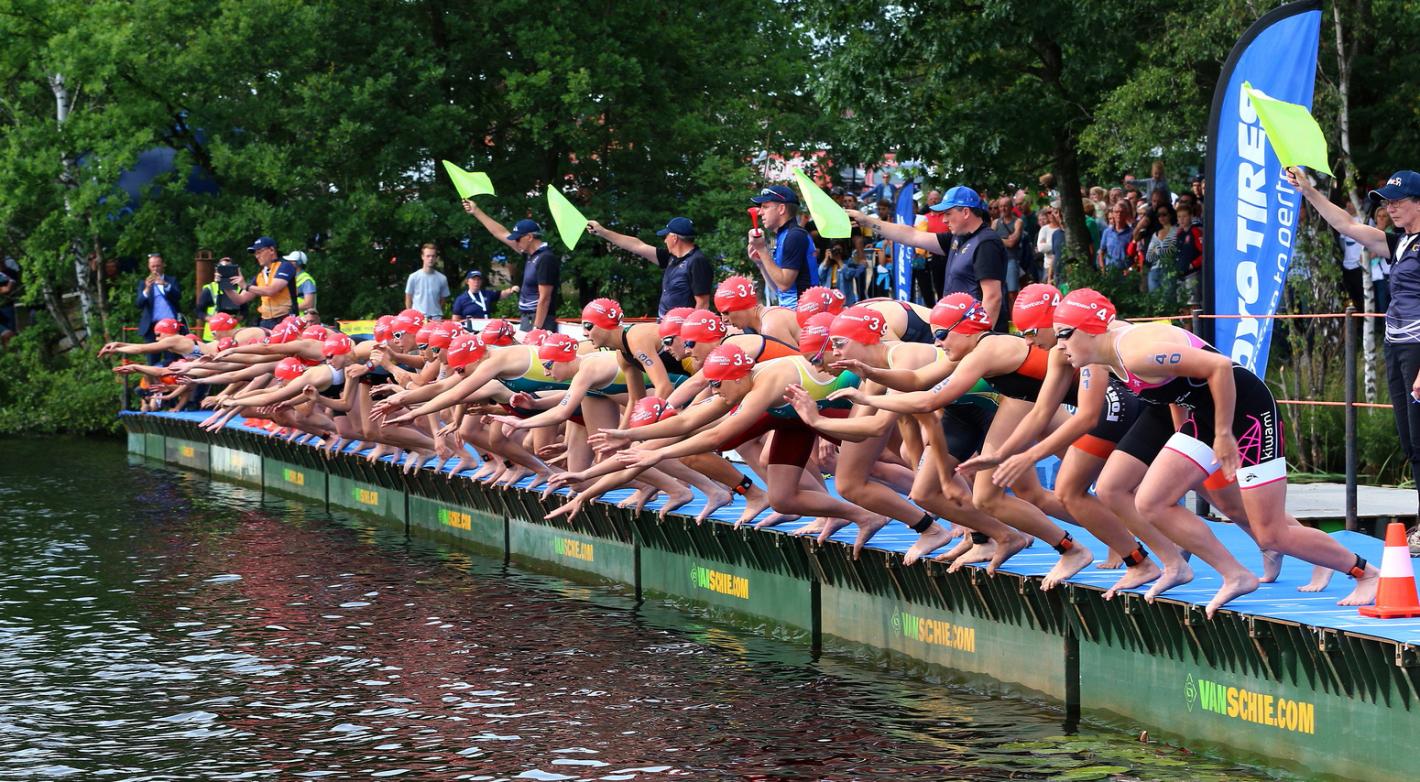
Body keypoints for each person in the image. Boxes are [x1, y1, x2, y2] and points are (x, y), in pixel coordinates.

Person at [1289, 167, 1420, 541]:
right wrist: (1309, 191)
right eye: (1386, 202)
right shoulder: (1401, 243)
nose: (1390, 208)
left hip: (1417, 348)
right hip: (1396, 345)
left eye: (1398, 202)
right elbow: (1346, 225)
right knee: (1411, 441)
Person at [847, 185, 1008, 331]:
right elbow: (911, 235)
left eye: (948, 213)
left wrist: (980, 341)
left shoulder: (986, 243)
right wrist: (867, 221)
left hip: (974, 337)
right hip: (959, 334)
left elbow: (992, 297)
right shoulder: (958, 238)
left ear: (966, 212)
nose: (944, 220)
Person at [464, 201, 561, 331]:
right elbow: (500, 233)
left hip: (539, 321)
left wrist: (536, 329)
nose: (515, 242)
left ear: (529, 237)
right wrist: (476, 212)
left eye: (518, 239)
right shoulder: (530, 254)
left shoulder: (545, 258)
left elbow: (545, 298)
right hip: (528, 318)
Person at [586, 216, 713, 315]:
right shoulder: (671, 257)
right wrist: (602, 231)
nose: (664, 240)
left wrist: (691, 336)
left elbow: (702, 304)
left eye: (666, 236)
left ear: (674, 238)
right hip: (666, 327)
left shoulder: (697, 261)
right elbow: (637, 246)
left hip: (682, 332)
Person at [747, 185, 818, 307]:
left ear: (781, 209)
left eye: (765, 207)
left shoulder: (795, 235)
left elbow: (784, 284)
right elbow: (777, 288)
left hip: (804, 312)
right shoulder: (783, 235)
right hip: (792, 311)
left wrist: (762, 250)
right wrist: (760, 263)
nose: (760, 212)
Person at [228, 236, 297, 328]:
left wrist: (246, 286)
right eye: (255, 253)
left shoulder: (285, 266)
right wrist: (225, 285)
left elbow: (271, 291)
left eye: (259, 252)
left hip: (285, 318)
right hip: (266, 321)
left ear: (271, 250)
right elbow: (240, 300)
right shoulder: (260, 275)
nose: (257, 256)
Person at [136, 253, 182, 363]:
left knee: (171, 359)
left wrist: (165, 285)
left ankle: (171, 380)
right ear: (149, 267)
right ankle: (154, 380)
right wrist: (147, 289)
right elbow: (138, 304)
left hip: (169, 326)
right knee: (152, 360)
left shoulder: (171, 280)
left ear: (163, 265)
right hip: (151, 327)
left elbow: (178, 297)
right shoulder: (143, 283)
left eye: (158, 266)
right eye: (153, 266)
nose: (155, 269)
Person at [195, 258, 249, 340]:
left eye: (228, 268)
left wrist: (235, 319)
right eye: (222, 269)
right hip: (212, 335)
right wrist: (212, 319)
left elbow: (245, 311)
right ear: (216, 271)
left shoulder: (239, 289)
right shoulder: (209, 288)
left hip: (233, 333)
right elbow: (199, 311)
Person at [404, 243, 450, 319]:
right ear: (422, 257)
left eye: (433, 256)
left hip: (436, 318)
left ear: (436, 258)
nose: (430, 259)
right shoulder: (413, 277)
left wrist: (437, 313)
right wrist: (411, 317)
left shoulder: (442, 278)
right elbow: (408, 299)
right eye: (428, 256)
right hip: (418, 318)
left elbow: (443, 300)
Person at [1145, 203, 1177, 294]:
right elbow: (1149, 257)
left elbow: (1172, 251)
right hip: (1154, 270)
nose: (1161, 217)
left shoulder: (1177, 231)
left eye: (1164, 214)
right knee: (1155, 303)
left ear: (1170, 214)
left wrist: (1156, 250)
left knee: (1168, 300)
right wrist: (1163, 250)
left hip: (1169, 271)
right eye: (1159, 215)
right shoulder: (1155, 234)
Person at [281, 250, 318, 319]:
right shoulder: (290, 278)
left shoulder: (306, 280)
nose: (288, 263)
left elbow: (309, 304)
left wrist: (287, 310)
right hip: (293, 319)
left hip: (304, 320)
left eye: (291, 261)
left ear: (298, 263)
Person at [1098, 203, 1134, 270]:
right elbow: (1101, 252)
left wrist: (1130, 270)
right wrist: (1103, 269)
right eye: (1116, 212)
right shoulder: (1107, 232)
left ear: (1126, 214)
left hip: (1125, 273)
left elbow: (1136, 256)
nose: (1119, 214)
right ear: (1113, 214)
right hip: (1110, 272)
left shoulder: (1132, 233)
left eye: (1122, 212)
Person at [0, 256, 19, 347]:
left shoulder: (11, 270)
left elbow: (9, 289)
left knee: (9, 336)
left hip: (7, 307)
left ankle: (11, 357)